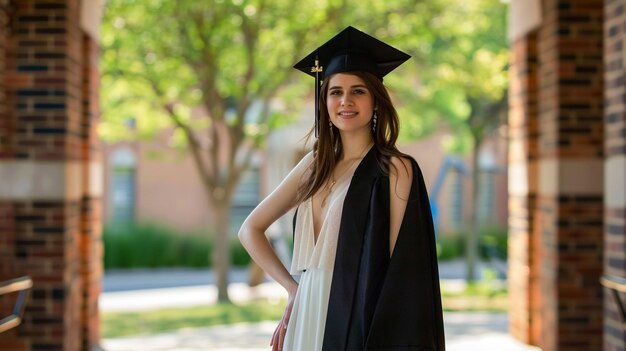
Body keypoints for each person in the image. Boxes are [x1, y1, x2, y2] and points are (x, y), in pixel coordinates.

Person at [238, 26, 445, 351]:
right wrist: (293, 291)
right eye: (336, 92)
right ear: (325, 100)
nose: (345, 101)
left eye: (358, 91)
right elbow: (250, 229)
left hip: (358, 310)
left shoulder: (394, 168)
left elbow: (401, 271)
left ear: (376, 100)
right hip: (307, 308)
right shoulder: (314, 163)